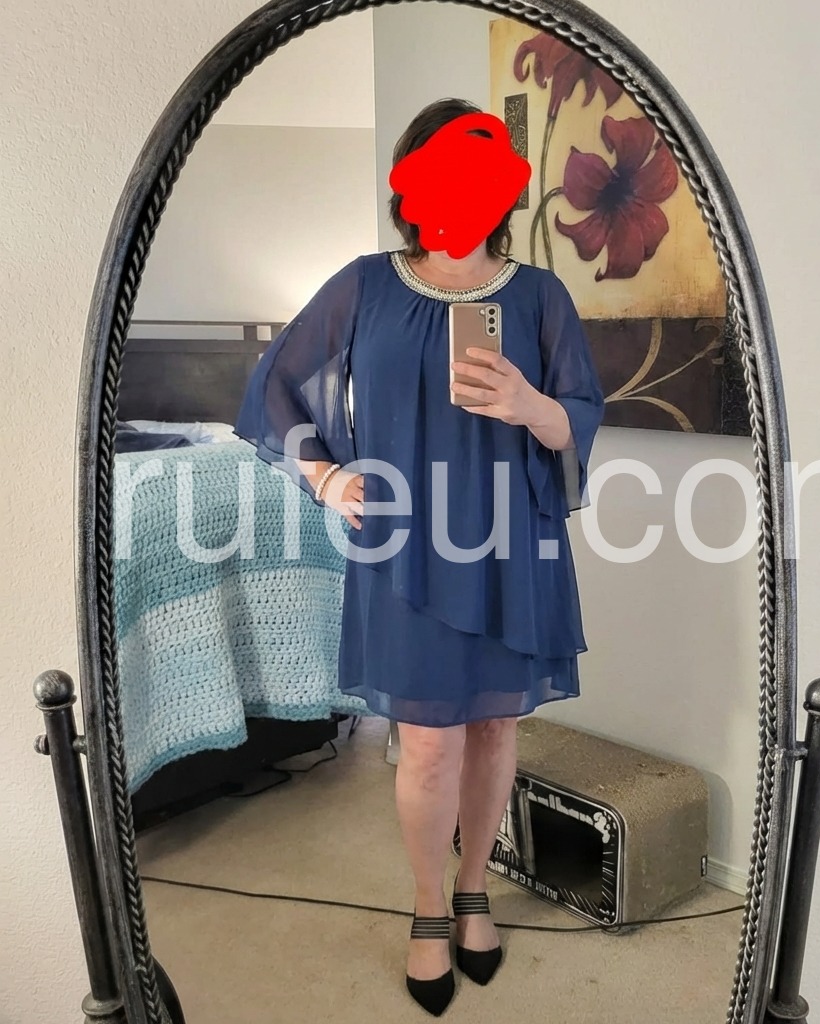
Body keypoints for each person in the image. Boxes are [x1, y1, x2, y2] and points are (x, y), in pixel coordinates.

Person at [235, 97, 604, 1016]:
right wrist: (324, 476)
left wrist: (528, 404)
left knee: (496, 731)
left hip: (512, 544)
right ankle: (430, 905)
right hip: (405, 546)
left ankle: (475, 889)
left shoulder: (538, 296)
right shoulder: (365, 285)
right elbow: (276, 384)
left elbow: (578, 418)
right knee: (430, 745)